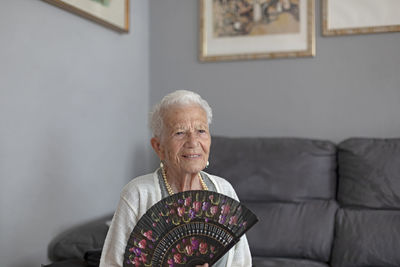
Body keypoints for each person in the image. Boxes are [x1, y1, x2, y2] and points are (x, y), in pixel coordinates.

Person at [99, 90, 252, 267]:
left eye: (201, 130)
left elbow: (242, 263)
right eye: (179, 133)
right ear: (158, 146)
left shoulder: (224, 190)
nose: (193, 142)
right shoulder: (138, 194)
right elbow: (111, 264)